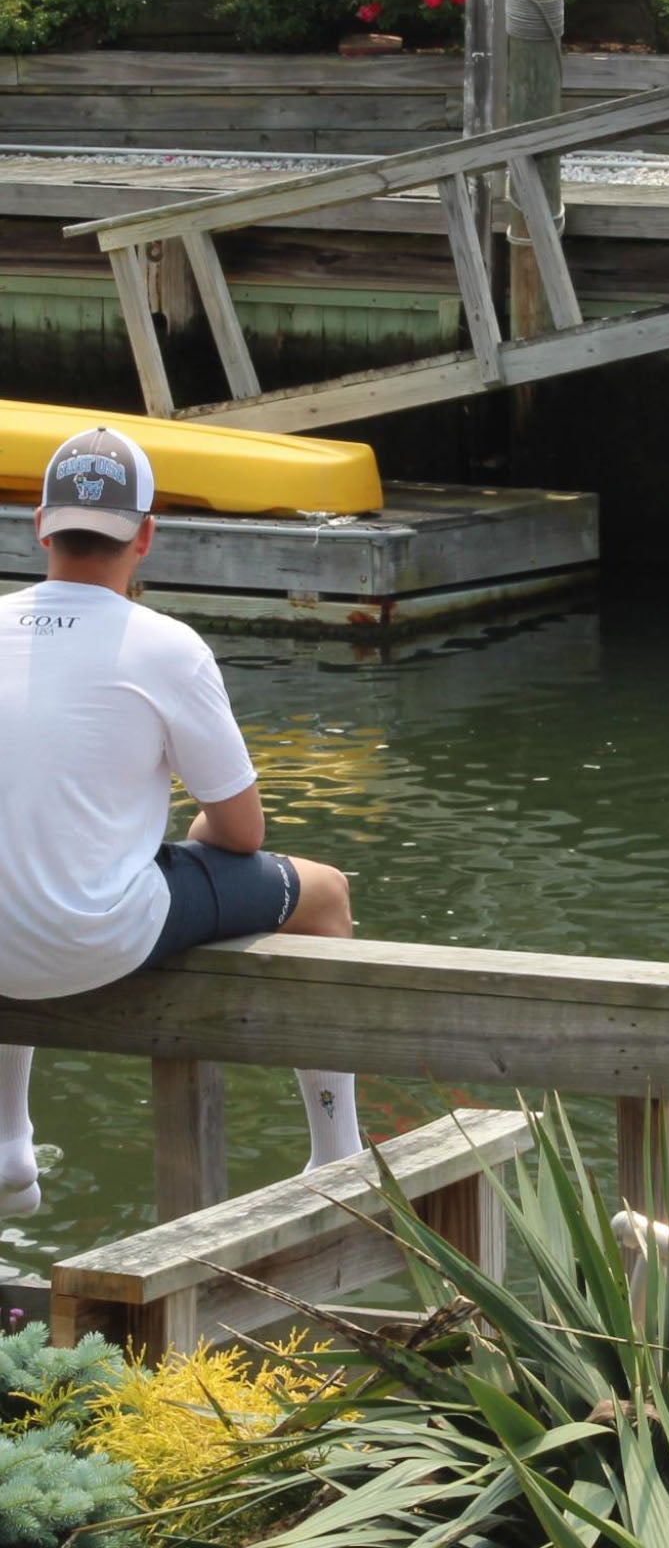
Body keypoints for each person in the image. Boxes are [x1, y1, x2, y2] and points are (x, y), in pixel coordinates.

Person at [0, 425, 362, 1218]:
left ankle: (8, 1143)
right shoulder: (168, 647)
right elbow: (242, 835)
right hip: (95, 941)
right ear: (147, 536)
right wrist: (192, 835)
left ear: (39, 524)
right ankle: (340, 1157)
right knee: (326, 893)